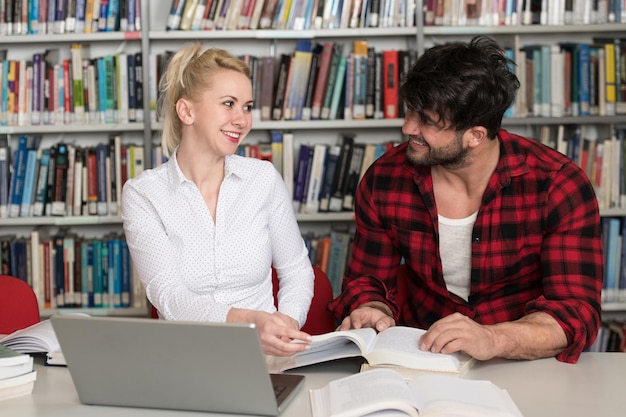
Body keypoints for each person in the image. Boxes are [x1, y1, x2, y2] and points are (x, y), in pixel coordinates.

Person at [329, 35, 603, 364]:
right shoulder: (385, 179)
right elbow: (367, 280)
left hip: (522, 361)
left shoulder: (558, 184)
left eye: (427, 121)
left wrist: (494, 337)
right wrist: (371, 308)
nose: (407, 127)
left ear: (475, 135)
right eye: (411, 112)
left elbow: (575, 311)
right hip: (424, 359)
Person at [121, 44, 314, 356]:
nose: (242, 120)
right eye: (229, 104)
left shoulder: (263, 179)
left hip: (265, 359)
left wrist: (284, 327)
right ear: (187, 111)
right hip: (187, 360)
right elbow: (168, 296)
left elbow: (296, 271)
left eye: (248, 107)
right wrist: (248, 323)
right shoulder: (144, 194)